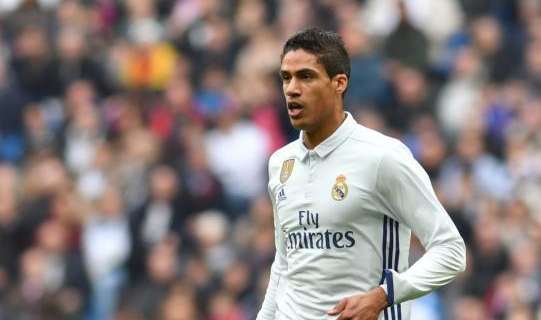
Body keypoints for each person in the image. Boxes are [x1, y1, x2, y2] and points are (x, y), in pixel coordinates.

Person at [256, 27, 466, 320]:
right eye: (286, 78)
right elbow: (285, 263)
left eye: (306, 76)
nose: (292, 88)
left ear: (338, 82)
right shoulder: (280, 163)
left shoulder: (382, 157)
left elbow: (451, 251)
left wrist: (383, 296)